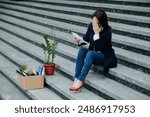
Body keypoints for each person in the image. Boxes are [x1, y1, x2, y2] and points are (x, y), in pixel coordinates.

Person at [69, 9, 117, 91]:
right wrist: (79, 41)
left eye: (95, 21)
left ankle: (81, 80)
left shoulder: (107, 31)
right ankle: (76, 78)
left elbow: (99, 47)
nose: (93, 23)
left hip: (104, 55)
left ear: (101, 22)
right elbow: (86, 39)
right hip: (93, 52)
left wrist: (97, 34)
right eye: (93, 20)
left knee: (90, 54)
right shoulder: (91, 26)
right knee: (82, 51)